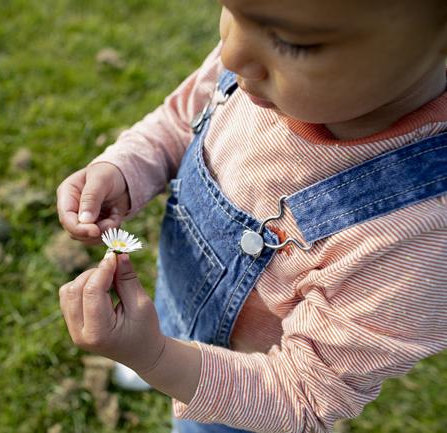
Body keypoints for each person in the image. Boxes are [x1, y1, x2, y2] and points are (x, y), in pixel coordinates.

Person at [56, 0, 447, 431]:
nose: (230, 54)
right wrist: (123, 171)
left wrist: (156, 357)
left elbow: (302, 396)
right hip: (177, 297)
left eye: (293, 42)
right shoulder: (255, 72)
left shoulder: (419, 237)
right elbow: (180, 119)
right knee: (166, 325)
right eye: (230, 10)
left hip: (243, 393)